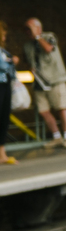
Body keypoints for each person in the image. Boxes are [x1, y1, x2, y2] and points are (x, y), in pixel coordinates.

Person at [22, 17, 66, 148]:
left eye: (30, 28)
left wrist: (37, 36)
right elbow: (28, 61)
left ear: (38, 28)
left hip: (55, 80)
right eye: (26, 29)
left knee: (61, 108)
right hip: (39, 82)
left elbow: (49, 49)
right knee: (43, 110)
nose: (28, 32)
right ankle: (57, 137)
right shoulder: (27, 45)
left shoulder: (49, 36)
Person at [0, 21, 17, 165]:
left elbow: (11, 70)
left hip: (5, 85)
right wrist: (11, 62)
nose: (5, 37)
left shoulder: (4, 52)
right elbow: (5, 65)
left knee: (4, 118)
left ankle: (2, 154)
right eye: (3, 34)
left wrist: (11, 63)